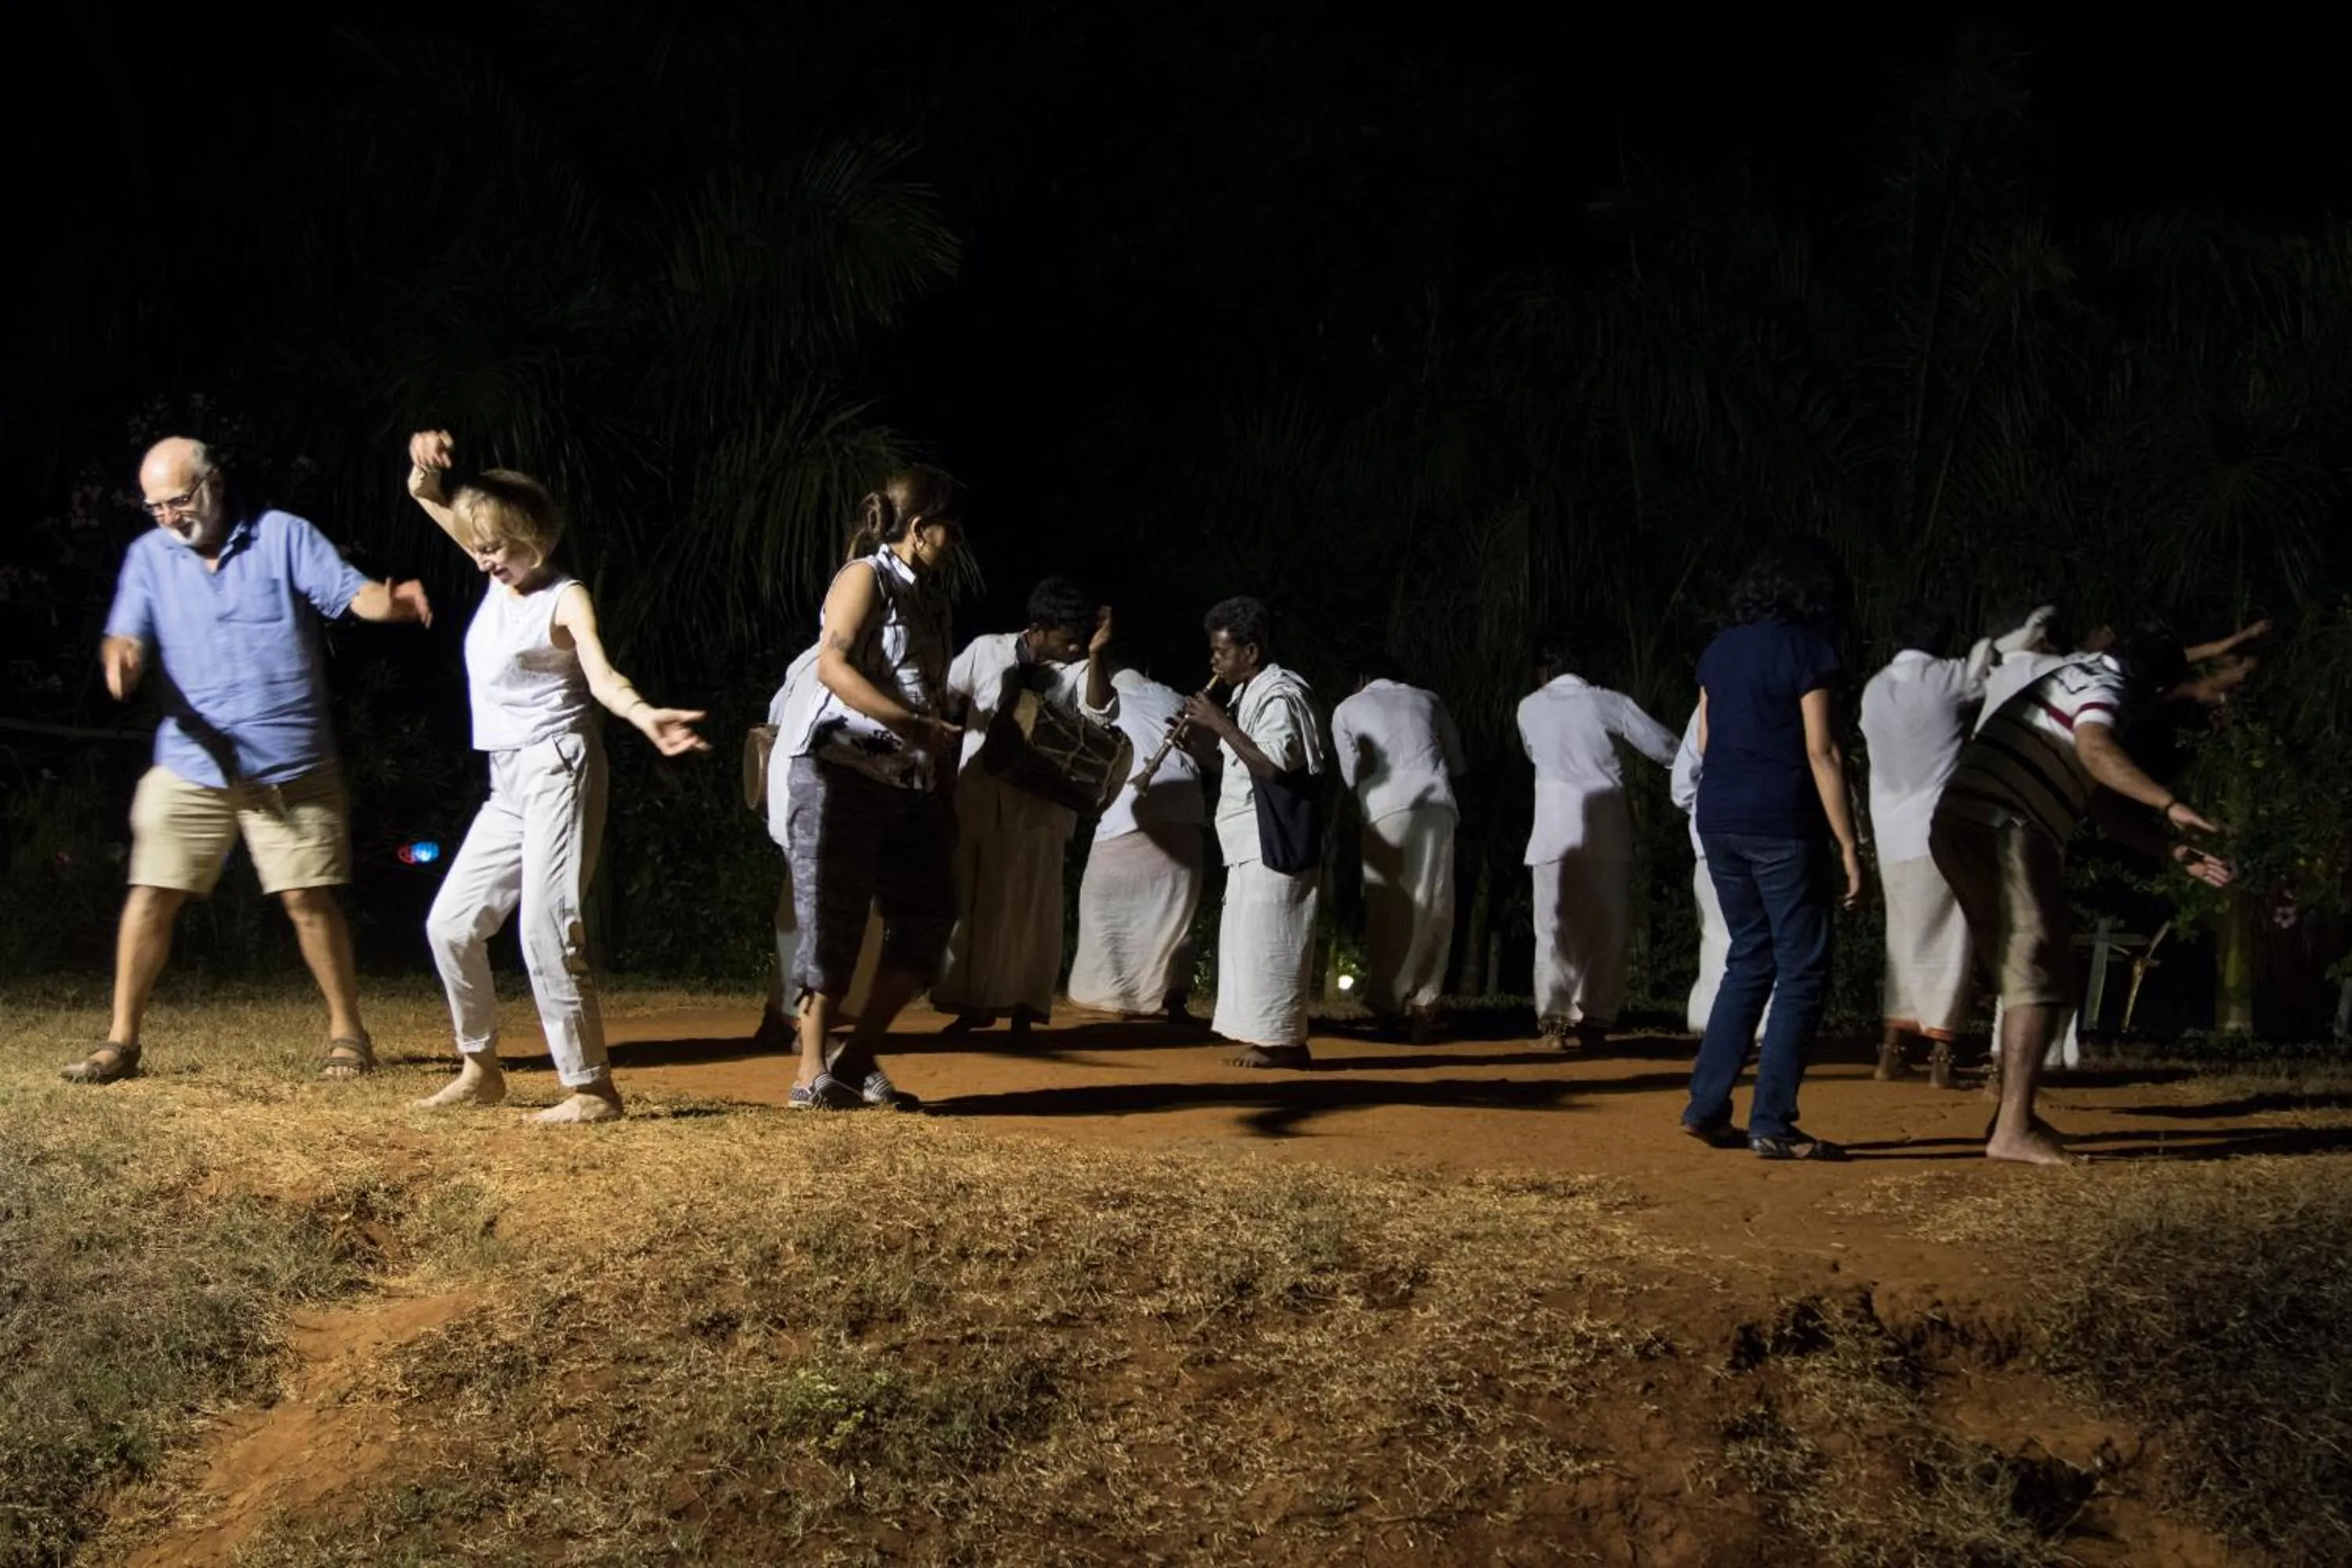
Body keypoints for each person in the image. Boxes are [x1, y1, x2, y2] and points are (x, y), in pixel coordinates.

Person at [64, 437, 433, 1085]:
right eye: (154, 507)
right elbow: (124, 633)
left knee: (306, 898)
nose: (169, 517)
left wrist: (391, 603)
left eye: (178, 500)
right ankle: (120, 1042)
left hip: (289, 761)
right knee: (151, 892)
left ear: (214, 484)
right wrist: (119, 657)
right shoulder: (149, 558)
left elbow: (352, 593)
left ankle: (348, 1033)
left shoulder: (282, 537)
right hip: (190, 761)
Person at [405, 431, 707, 1124]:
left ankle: (591, 1089)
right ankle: (480, 1070)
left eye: (498, 547)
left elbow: (601, 674)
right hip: (506, 781)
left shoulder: (563, 597)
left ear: (533, 539)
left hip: (559, 766)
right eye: (477, 546)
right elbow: (426, 494)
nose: (484, 558)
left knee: (546, 925)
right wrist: (424, 461)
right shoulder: (494, 567)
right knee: (451, 925)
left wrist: (643, 715)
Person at [1932, 626, 2234, 1164]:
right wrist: (2169, 803)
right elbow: (2097, 752)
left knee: (2029, 968)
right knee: (2038, 968)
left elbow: (2102, 805)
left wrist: (2168, 850)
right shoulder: (2103, 690)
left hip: (1965, 821)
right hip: (2003, 825)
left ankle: (2010, 1114)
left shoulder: (2075, 679)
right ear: (2155, 690)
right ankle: (2013, 1130)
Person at [773, 468, 964, 1109]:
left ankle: (854, 1061)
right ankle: (809, 1073)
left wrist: (935, 764)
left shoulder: (932, 600)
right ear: (920, 528)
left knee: (929, 916)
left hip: (909, 781)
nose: (955, 539)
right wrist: (907, 721)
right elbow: (834, 662)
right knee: (835, 916)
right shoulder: (865, 577)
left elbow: (930, 691)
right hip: (839, 769)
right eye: (949, 527)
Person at [1680, 539, 1865, 1160]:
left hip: (1720, 814)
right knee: (1803, 968)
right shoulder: (1811, 650)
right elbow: (1823, 751)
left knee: (1749, 957)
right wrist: (1848, 843)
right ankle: (1773, 1122)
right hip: (1781, 820)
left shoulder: (1718, 651)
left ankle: (1707, 1107)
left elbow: (1706, 741)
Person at [931, 579, 1116, 1037]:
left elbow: (1099, 715)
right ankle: (972, 1004)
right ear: (1037, 628)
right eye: (1066, 638)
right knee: (972, 904)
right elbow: (947, 697)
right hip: (978, 797)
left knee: (1032, 909)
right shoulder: (986, 651)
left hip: (1040, 809)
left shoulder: (1076, 668)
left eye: (1079, 639)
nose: (1072, 646)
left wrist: (1095, 653)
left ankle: (1023, 1007)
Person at [1857, 602, 1999, 1087]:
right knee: (1950, 938)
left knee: (1903, 940)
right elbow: (1988, 670)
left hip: (1889, 833)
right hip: (1936, 829)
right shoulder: (1945, 677)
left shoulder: (1875, 687)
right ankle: (1942, 1055)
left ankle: (1891, 1052)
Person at [1182, 597, 1327, 1068]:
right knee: (1255, 941)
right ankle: (1270, 1038)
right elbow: (1239, 765)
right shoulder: (1251, 693)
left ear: (1251, 650)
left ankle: (1284, 1043)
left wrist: (1218, 722)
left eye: (1222, 652)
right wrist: (1199, 740)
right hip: (1249, 839)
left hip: (1276, 839)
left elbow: (1272, 764)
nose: (1214, 661)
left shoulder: (1282, 694)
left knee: (1276, 938)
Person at [1518, 631, 1679, 1047]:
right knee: (1608, 925)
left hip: (1553, 829)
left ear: (1543, 671)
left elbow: (1534, 753)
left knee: (1554, 927)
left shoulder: (1529, 707)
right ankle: (1596, 1018)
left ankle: (1553, 1022)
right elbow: (1663, 746)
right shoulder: (1609, 702)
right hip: (1606, 826)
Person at [1329, 658, 1465, 1041]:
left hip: (1384, 805)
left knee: (1387, 903)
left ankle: (1388, 1000)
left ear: (1363, 679)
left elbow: (1350, 774)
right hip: (1435, 801)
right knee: (1435, 901)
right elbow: (1457, 762)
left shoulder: (1347, 707)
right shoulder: (1429, 700)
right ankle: (1425, 1002)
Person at [1067, 662, 1210, 1019]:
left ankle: (1115, 998)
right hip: (1190, 816)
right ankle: (1171, 998)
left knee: (1101, 907)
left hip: (1132, 816)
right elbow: (1212, 758)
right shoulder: (1176, 698)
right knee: (1175, 918)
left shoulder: (1105, 698)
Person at [1671, 709, 1772, 1039]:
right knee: (1768, 934)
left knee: (1719, 934)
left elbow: (1682, 785)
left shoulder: (1709, 705)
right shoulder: (1788, 695)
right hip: (1769, 834)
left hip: (1712, 837)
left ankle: (1711, 1022)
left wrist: (1702, 812)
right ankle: (1762, 1025)